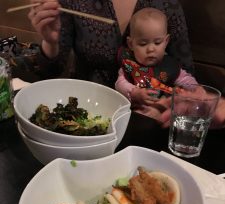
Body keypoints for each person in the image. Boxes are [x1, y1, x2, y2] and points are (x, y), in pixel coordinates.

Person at [27, 0, 195, 90]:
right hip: (88, 110)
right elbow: (50, 71)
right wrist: (50, 42)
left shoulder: (166, 4)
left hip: (147, 117)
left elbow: (186, 76)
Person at [115, 7, 198, 119]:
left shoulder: (169, 65)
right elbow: (120, 84)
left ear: (166, 41)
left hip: (163, 109)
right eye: (143, 44)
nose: (151, 49)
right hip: (134, 111)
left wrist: (195, 89)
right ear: (131, 44)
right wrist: (135, 93)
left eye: (157, 42)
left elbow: (186, 80)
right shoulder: (130, 65)